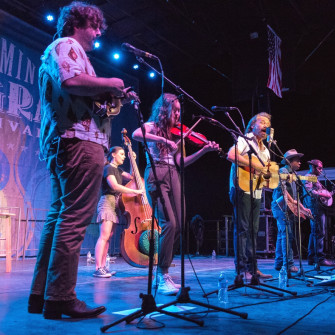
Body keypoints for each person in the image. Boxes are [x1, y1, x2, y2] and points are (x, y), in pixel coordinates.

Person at [28, 1, 139, 319]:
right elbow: (71, 82)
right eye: (95, 26)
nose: (99, 32)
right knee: (73, 220)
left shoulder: (59, 49)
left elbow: (77, 96)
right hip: (78, 142)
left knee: (59, 219)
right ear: (78, 23)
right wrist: (112, 84)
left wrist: (109, 99)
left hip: (64, 142)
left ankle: (42, 296)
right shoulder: (66, 45)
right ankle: (61, 297)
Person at [132, 93, 219, 295]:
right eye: (175, 110)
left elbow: (180, 163)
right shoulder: (152, 126)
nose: (178, 114)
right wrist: (163, 138)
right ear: (164, 110)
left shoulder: (179, 134)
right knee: (169, 223)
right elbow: (137, 134)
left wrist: (203, 151)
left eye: (180, 110)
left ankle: (163, 272)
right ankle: (162, 275)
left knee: (179, 224)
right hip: (156, 173)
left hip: (173, 174)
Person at [227, 112, 273, 281]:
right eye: (262, 122)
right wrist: (254, 164)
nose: (265, 125)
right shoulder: (244, 139)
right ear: (252, 125)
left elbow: (266, 176)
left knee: (254, 230)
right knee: (243, 229)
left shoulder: (266, 151)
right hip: (241, 188)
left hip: (256, 190)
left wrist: (271, 177)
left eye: (268, 123)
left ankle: (253, 268)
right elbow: (231, 155)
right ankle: (241, 270)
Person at [93, 147, 143, 278]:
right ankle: (98, 268)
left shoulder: (118, 170)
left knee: (108, 237)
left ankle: (103, 267)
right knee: (104, 236)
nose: (123, 156)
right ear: (113, 155)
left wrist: (133, 160)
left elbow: (133, 177)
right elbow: (114, 186)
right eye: (121, 154)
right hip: (107, 202)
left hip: (114, 204)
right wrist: (136, 192)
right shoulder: (108, 168)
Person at [271, 149, 309, 273]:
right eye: (297, 160)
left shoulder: (293, 175)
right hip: (280, 207)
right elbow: (282, 189)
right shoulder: (283, 171)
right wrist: (294, 202)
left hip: (285, 207)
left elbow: (294, 197)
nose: (299, 163)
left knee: (283, 234)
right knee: (287, 234)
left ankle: (279, 263)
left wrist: (302, 208)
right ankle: (288, 264)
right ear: (290, 161)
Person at [303, 159, 335, 266]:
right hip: (315, 208)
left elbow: (323, 194)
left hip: (317, 207)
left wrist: (334, 192)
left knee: (315, 232)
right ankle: (319, 258)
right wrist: (324, 195)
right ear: (313, 167)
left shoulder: (315, 178)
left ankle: (312, 258)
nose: (321, 170)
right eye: (319, 168)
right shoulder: (309, 176)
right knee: (319, 233)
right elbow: (310, 191)